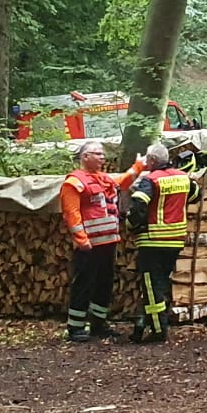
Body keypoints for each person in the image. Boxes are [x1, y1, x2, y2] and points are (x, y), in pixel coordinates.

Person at [122, 140, 198, 344]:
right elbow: (195, 195)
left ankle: (158, 329)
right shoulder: (183, 177)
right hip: (175, 240)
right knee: (161, 282)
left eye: (147, 158)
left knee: (151, 285)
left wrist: (130, 225)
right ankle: (144, 324)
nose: (146, 162)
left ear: (153, 160)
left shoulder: (151, 180)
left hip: (153, 240)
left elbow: (139, 207)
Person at [59, 139, 125, 343]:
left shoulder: (104, 179)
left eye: (103, 153)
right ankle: (75, 327)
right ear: (85, 157)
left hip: (108, 241)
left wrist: (139, 167)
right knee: (84, 284)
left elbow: (122, 182)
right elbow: (71, 212)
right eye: (97, 153)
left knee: (104, 283)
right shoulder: (74, 182)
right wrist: (81, 239)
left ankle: (99, 323)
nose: (102, 157)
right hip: (89, 244)